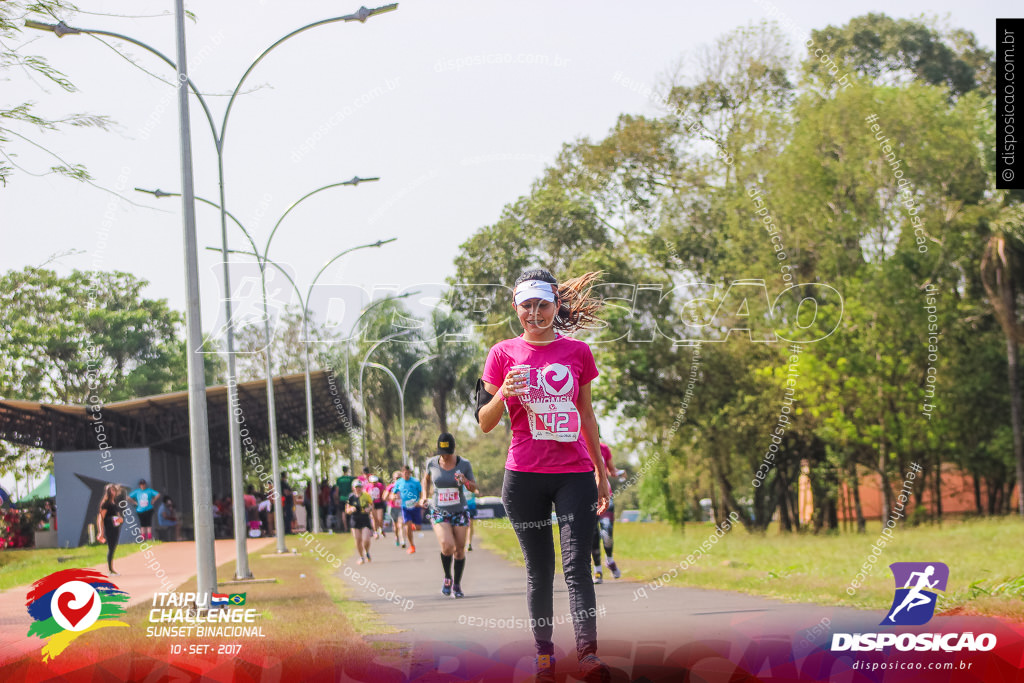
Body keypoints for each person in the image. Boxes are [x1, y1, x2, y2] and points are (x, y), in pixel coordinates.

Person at [478, 268, 611, 682]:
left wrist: (601, 474)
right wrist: (504, 393)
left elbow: (586, 414)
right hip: (523, 476)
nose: (535, 313)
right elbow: (484, 421)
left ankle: (588, 655)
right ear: (516, 307)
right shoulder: (501, 353)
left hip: (574, 473)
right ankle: (544, 656)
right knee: (541, 570)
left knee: (576, 568)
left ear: (556, 305)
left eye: (543, 305)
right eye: (527, 306)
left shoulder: (579, 352)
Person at [422, 433, 477, 597]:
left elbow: (473, 487)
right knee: (447, 545)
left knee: (459, 550)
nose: (444, 456)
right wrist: (424, 495)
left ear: (453, 450)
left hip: (459, 511)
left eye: (447, 453)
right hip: (439, 510)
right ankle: (447, 577)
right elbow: (425, 479)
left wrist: (465, 481)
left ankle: (457, 584)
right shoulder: (431, 463)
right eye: (442, 453)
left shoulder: (464, 464)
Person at [592, 443, 624, 584]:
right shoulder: (576, 445)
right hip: (586, 499)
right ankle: (597, 570)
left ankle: (610, 560)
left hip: (605, 496)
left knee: (607, 532)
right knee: (593, 536)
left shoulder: (603, 448)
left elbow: (611, 470)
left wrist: (619, 473)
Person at [393, 465, 423, 554]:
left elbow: (421, 492)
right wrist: (395, 496)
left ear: (410, 473)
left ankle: (413, 524)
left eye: (408, 473)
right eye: (404, 473)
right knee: (407, 526)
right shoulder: (399, 482)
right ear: (402, 473)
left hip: (415, 506)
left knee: (418, 528)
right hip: (405, 507)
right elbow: (394, 492)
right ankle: (412, 546)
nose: (406, 474)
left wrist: (420, 501)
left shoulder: (415, 481)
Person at [96, 483, 124, 576]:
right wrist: (101, 532)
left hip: (115, 527)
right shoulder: (106, 503)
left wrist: (120, 519)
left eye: (114, 490)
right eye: (111, 490)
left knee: (113, 547)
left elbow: (117, 515)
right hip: (109, 528)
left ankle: (112, 568)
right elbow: (101, 518)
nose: (113, 492)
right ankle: (110, 570)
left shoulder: (114, 503)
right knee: (111, 548)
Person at [346, 480, 374, 564]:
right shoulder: (351, 497)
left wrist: (369, 509)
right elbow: (347, 509)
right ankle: (361, 557)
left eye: (359, 487)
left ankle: (367, 551)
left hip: (364, 518)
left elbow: (371, 505)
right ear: (353, 488)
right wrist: (351, 509)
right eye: (356, 487)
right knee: (358, 540)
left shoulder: (366, 495)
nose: (358, 489)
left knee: (366, 539)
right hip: (355, 519)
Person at [384, 471, 404, 547]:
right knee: (395, 525)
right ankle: (397, 537)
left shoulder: (404, 486)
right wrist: (391, 497)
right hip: (393, 508)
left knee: (401, 523)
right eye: (396, 478)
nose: (398, 479)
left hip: (401, 507)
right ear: (394, 479)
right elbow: (385, 497)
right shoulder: (391, 487)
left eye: (399, 478)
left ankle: (403, 540)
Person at [336, 467, 354, 532]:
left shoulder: (339, 479)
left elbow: (337, 490)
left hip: (342, 498)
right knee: (351, 511)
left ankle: (345, 527)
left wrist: (337, 498)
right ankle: (351, 526)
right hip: (349, 497)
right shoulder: (350, 479)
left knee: (343, 513)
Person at [465, 487, 477, 552]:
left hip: (471, 505)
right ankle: (464, 543)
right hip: (462, 506)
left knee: (470, 525)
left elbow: (475, 488)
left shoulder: (471, 478)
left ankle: (469, 543)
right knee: (464, 526)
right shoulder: (457, 479)